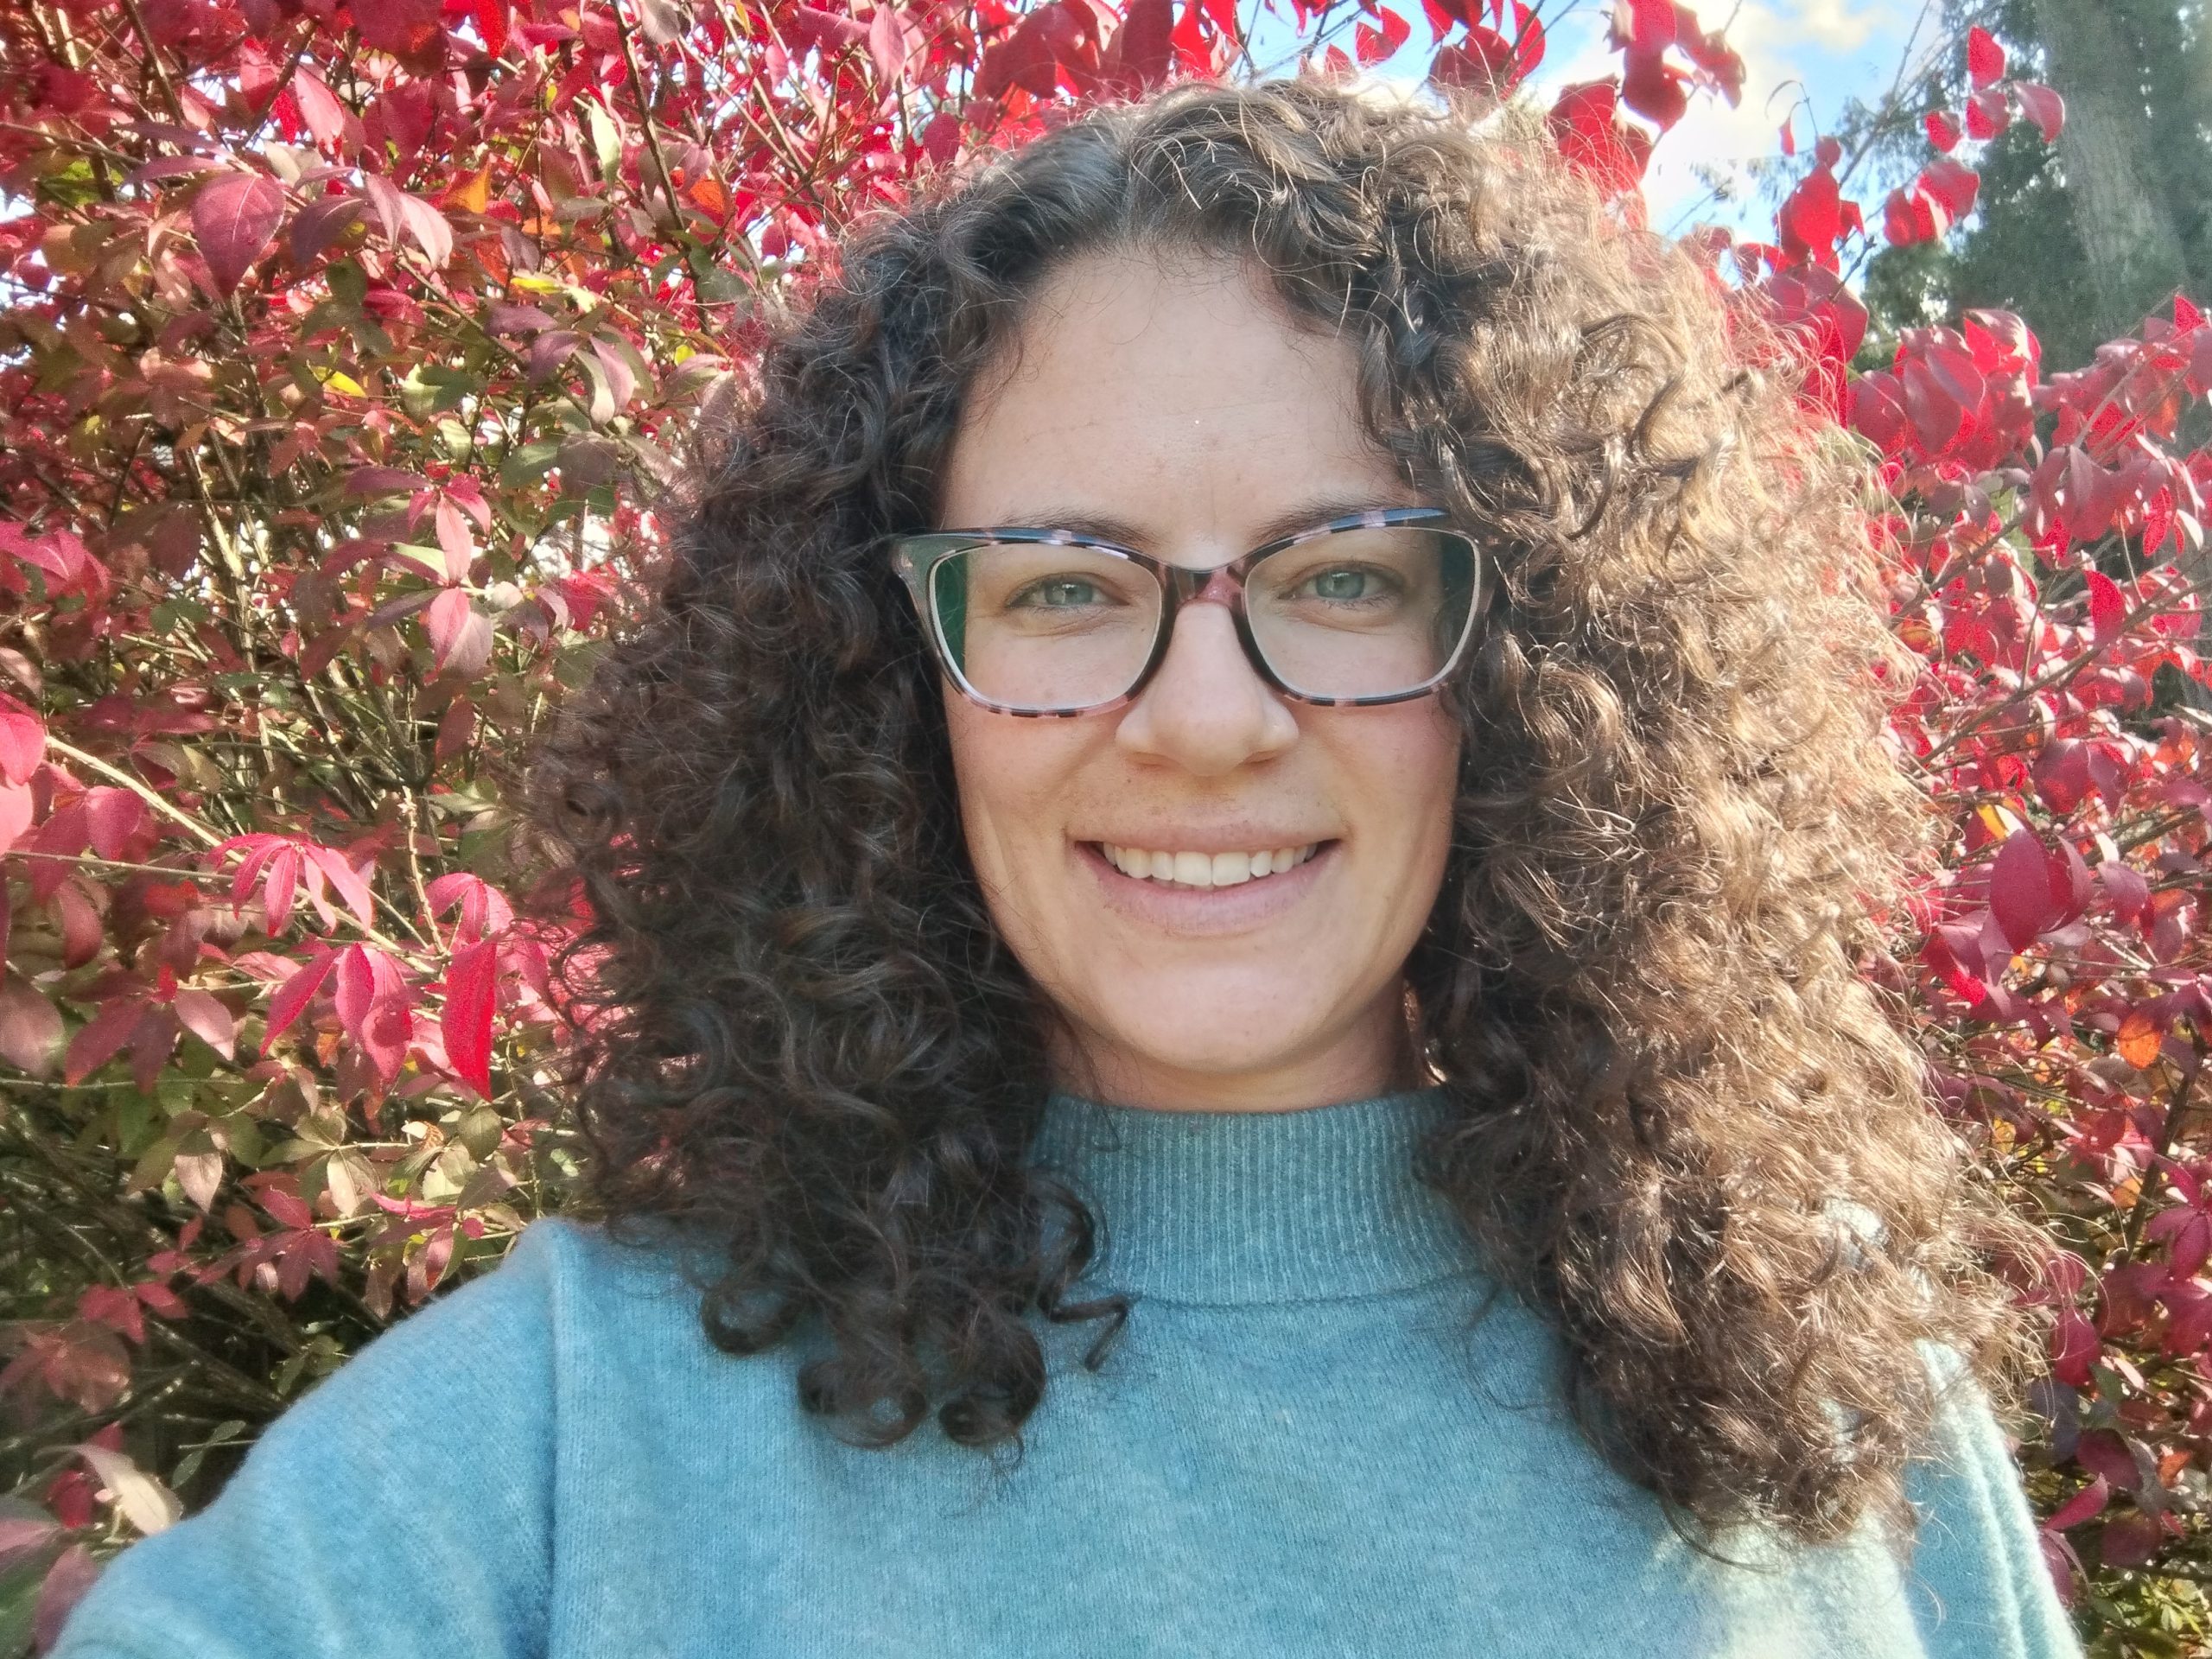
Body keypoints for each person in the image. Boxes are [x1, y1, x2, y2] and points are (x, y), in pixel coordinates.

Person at [54, 76, 2082, 1658]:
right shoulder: (573, 1442)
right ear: (885, 681)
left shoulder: (1844, 1422)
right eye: (1056, 586)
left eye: (1348, 575)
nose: (1202, 717)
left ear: (1538, 666)